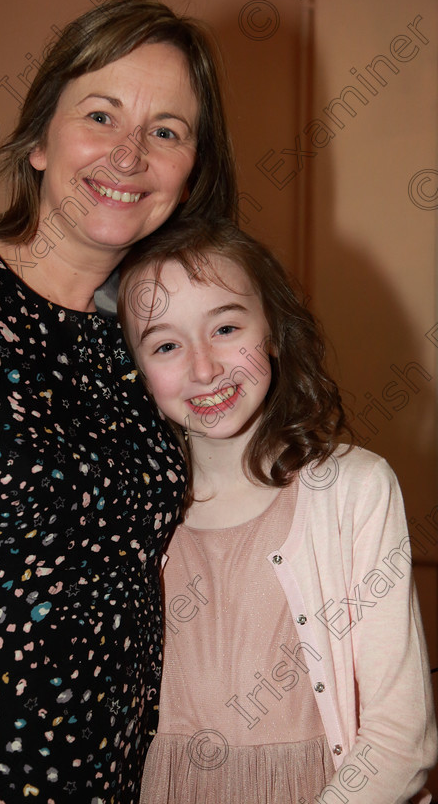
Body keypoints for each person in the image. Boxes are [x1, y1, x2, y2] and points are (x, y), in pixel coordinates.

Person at [0, 0, 238, 803]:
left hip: (109, 779)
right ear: (40, 140)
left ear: (190, 173)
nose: (129, 153)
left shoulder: (159, 347)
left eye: (168, 131)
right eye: (101, 114)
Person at [117, 217, 438, 804]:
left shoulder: (354, 490)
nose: (204, 368)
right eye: (165, 344)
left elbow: (401, 740)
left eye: (226, 327)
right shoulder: (132, 509)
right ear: (135, 370)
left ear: (273, 331)